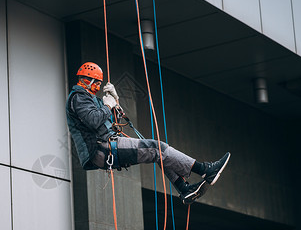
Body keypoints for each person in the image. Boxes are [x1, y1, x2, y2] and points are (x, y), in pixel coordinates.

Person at [66, 62, 230, 204]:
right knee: (157, 148)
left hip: (107, 146)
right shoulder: (78, 98)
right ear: (89, 81)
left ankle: (184, 189)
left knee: (158, 153)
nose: (97, 87)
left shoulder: (88, 98)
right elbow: (94, 121)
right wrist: (107, 105)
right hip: (103, 149)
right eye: (96, 83)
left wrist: (115, 102)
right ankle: (204, 170)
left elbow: (109, 119)